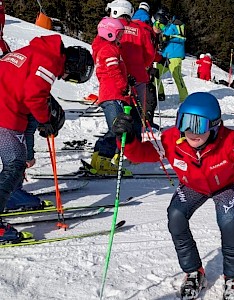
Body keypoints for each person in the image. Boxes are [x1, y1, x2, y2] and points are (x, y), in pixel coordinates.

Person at [111, 92, 234, 300]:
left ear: (215, 126)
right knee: (176, 216)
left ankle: (233, 278)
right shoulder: (172, 140)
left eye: (198, 125)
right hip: (192, 185)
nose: (190, 131)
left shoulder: (229, 141)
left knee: (229, 222)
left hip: (225, 186)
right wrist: (128, 139)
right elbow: (140, 154)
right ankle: (194, 271)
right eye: (184, 122)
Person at [0, 34, 94, 241]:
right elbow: (34, 97)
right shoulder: (49, 62)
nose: (63, 77)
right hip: (4, 112)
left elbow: (27, 93)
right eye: (69, 76)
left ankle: (12, 195)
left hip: (9, 108)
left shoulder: (39, 52)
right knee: (14, 166)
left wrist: (39, 122)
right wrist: (46, 119)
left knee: (15, 162)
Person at [90, 16, 133, 176]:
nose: (121, 37)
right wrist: (123, 86)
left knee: (115, 128)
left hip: (113, 94)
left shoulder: (111, 48)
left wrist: (128, 81)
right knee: (117, 129)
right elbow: (112, 70)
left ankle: (99, 158)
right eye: (119, 34)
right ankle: (103, 159)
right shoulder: (109, 50)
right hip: (112, 94)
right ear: (109, 33)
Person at [107, 0, 158, 133]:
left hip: (117, 78)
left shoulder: (110, 27)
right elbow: (150, 54)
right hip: (139, 77)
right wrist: (140, 66)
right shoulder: (140, 29)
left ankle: (116, 147)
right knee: (136, 117)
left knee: (118, 120)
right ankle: (134, 147)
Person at [153, 10, 188, 102]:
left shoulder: (177, 24)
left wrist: (170, 37)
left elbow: (183, 38)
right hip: (165, 54)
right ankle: (160, 94)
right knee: (156, 73)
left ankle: (184, 98)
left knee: (176, 76)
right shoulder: (166, 25)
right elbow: (159, 32)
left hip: (175, 54)